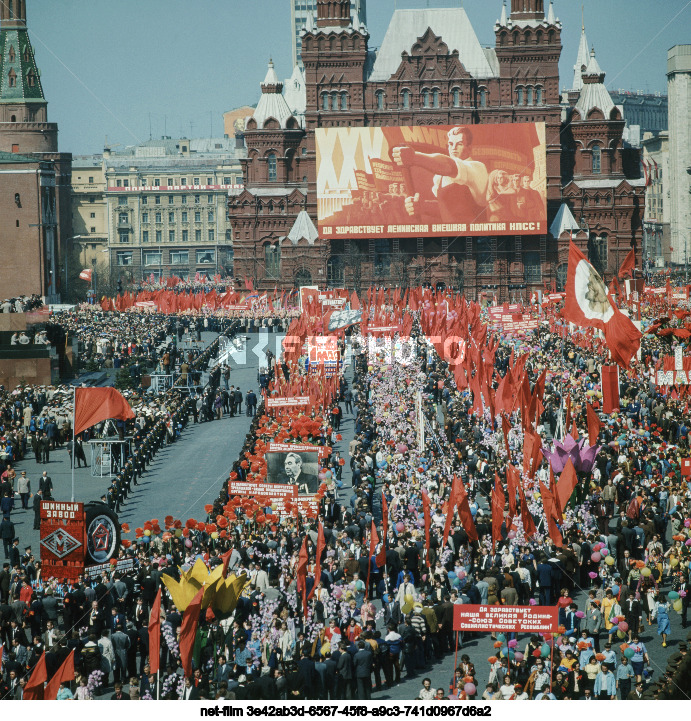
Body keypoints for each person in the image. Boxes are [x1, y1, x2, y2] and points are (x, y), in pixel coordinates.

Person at [392, 126, 489, 225]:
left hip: (474, 237)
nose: (454, 148)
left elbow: (449, 165)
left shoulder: (477, 168)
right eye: (451, 144)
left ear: (469, 148)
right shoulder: (440, 178)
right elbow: (445, 209)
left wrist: (415, 157)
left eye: (459, 144)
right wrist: (423, 206)